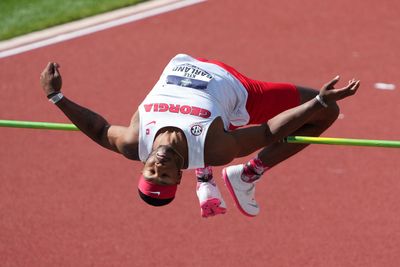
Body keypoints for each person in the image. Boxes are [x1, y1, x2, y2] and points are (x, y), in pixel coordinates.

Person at [40, 54, 359, 217]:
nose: (158, 167)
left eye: (152, 172)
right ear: (177, 176)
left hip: (186, 65)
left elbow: (98, 129)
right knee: (326, 113)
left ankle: (207, 179)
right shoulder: (216, 148)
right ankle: (249, 174)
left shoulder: (133, 142)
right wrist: (318, 100)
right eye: (164, 176)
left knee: (217, 134)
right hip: (240, 91)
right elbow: (267, 131)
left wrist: (56, 97)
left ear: (144, 165)